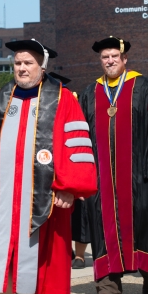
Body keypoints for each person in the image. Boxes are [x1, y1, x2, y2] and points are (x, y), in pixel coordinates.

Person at [0, 40, 98, 294]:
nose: (22, 68)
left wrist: (69, 188)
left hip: (45, 195)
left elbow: (75, 144)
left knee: (47, 255)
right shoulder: (1, 98)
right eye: (17, 63)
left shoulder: (62, 99)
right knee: (3, 254)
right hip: (3, 194)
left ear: (43, 67)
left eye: (28, 63)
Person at [79, 37, 148, 294]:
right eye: (105, 57)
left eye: (114, 56)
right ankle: (108, 288)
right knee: (102, 226)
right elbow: (81, 138)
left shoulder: (144, 86)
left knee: (145, 223)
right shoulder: (90, 92)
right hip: (102, 179)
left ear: (124, 59)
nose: (109, 60)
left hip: (140, 175)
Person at [47, 71, 91, 270]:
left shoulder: (71, 102)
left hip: (70, 164)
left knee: (79, 214)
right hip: (47, 169)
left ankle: (80, 255)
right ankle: (64, 251)